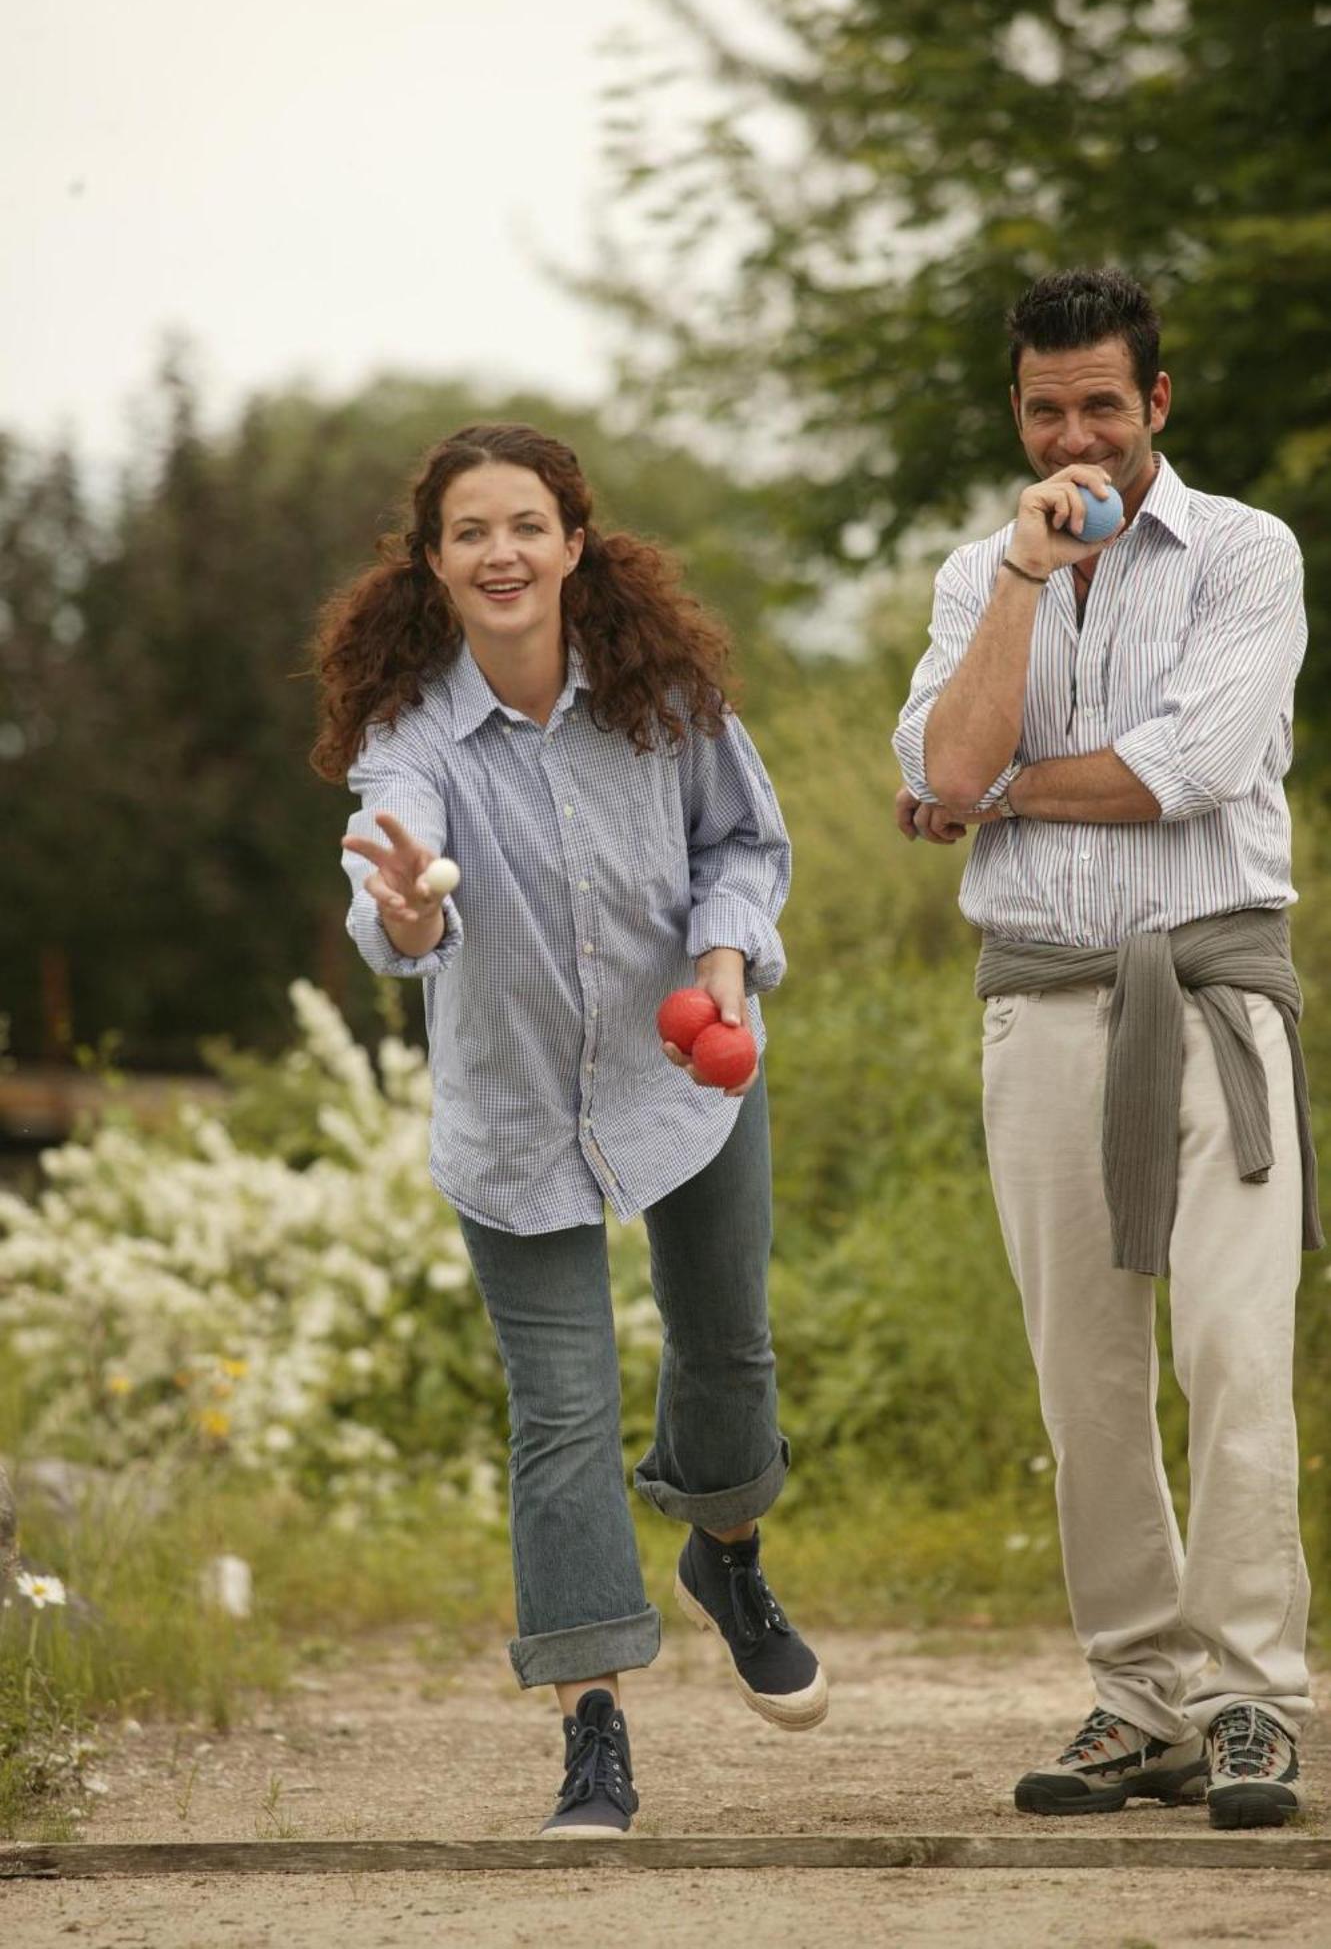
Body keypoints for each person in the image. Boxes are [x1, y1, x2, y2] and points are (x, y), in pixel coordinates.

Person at [312, 421, 826, 1839]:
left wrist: (724, 960)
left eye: (526, 525)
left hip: (689, 1079)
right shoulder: (410, 732)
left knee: (728, 1349)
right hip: (516, 1113)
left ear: (575, 540)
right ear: (433, 561)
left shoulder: (663, 692)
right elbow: (393, 876)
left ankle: (727, 1555)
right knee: (561, 1416)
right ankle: (593, 1729)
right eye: (470, 531)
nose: (501, 553)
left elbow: (746, 843)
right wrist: (408, 911)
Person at [892, 268, 1320, 1832]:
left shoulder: (1246, 554)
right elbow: (941, 752)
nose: (1074, 433)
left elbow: (1189, 768)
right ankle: (1140, 1704)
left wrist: (988, 797)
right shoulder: (975, 574)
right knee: (1086, 1379)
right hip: (1043, 1000)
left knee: (1230, 1349)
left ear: (1158, 403)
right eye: (1044, 406)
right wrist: (1018, 580)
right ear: (1019, 411)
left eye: (1101, 403)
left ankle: (1251, 1703)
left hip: (1213, 999)